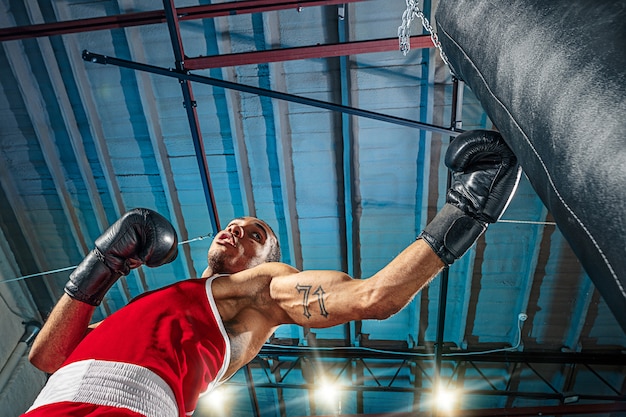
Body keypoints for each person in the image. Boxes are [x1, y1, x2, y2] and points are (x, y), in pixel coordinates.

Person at [21, 130, 521, 417]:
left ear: (269, 260)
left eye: (254, 234)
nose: (236, 232)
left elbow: (374, 297)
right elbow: (49, 356)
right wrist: (103, 266)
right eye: (233, 225)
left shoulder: (259, 291)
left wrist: (466, 209)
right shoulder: (161, 305)